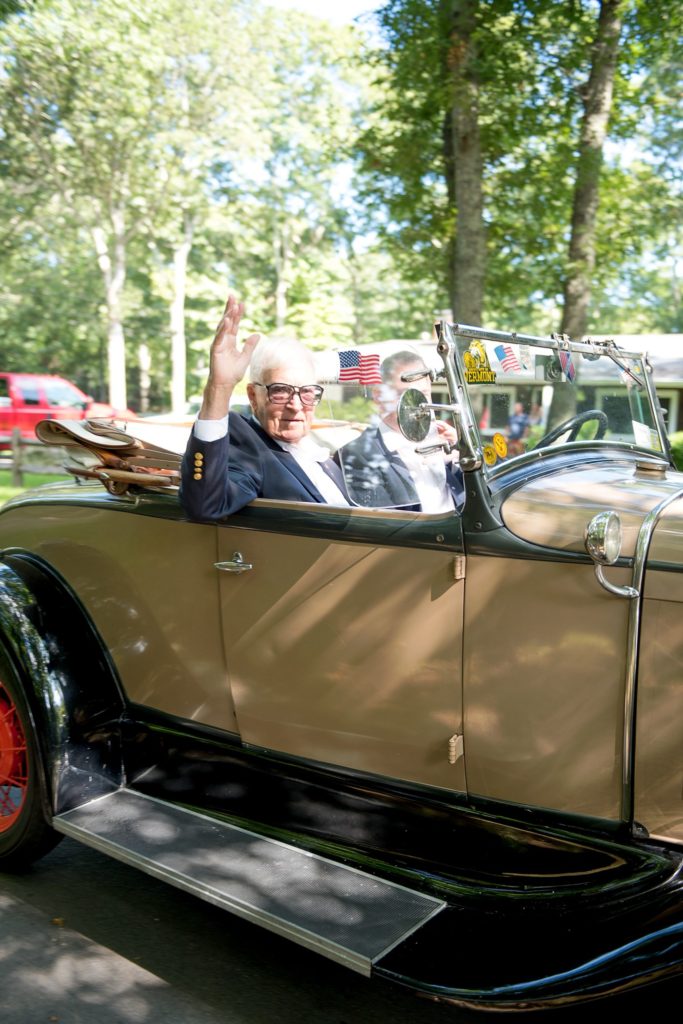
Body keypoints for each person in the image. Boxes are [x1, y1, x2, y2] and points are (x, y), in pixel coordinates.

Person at [180, 295, 348, 521]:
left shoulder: (326, 457)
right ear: (253, 396)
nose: (296, 406)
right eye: (281, 391)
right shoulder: (247, 446)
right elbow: (205, 505)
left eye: (307, 392)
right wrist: (219, 387)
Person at [337, 351, 465, 512]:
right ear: (378, 397)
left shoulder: (443, 439)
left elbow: (485, 490)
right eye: (403, 395)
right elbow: (384, 524)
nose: (417, 404)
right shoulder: (357, 454)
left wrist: (462, 450)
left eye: (423, 394)